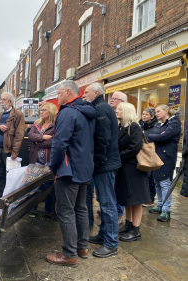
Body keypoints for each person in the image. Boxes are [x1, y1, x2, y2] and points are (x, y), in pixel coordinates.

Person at [46, 81, 98, 267]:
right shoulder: (88, 111)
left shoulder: (67, 112)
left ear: (69, 92)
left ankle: (69, 254)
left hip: (69, 170)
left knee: (66, 211)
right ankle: (82, 247)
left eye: (59, 93)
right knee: (81, 209)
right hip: (85, 167)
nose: (57, 97)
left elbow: (59, 144)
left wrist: (53, 167)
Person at [83, 83, 122, 258]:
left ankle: (111, 243)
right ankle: (104, 235)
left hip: (104, 164)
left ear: (96, 93)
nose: (84, 95)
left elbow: (102, 139)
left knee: (107, 204)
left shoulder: (101, 108)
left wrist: (97, 162)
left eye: (86, 92)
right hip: (105, 163)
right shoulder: (100, 107)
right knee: (104, 202)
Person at [115, 102, 150, 242]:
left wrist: (118, 157)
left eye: (119, 109)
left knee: (136, 200)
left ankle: (136, 230)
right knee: (127, 198)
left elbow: (135, 147)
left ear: (127, 111)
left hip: (134, 168)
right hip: (124, 167)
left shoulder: (134, 126)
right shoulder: (121, 127)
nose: (116, 111)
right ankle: (128, 224)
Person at [0, 92, 25, 200]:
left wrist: (15, 152)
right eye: (1, 99)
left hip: (9, 150)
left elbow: (19, 134)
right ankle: (0, 201)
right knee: (0, 176)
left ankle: (9, 200)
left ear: (10, 102)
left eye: (4, 99)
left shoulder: (18, 114)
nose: (1, 101)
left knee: (10, 177)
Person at [147, 105, 181, 222]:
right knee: (157, 181)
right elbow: (153, 136)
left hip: (167, 157)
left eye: (158, 111)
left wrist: (158, 136)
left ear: (166, 111)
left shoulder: (174, 122)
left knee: (165, 183)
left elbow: (164, 137)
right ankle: (160, 204)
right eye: (155, 112)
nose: (156, 114)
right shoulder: (158, 124)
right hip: (156, 155)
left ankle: (166, 210)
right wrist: (158, 136)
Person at [28, 102, 58, 213]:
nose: (41, 112)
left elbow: (54, 141)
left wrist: (38, 141)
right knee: (34, 185)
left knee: (48, 187)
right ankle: (33, 209)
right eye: (41, 110)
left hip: (48, 160)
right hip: (35, 159)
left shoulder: (56, 125)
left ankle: (48, 211)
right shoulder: (37, 123)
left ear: (51, 112)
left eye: (44, 110)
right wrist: (42, 137)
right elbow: (30, 136)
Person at [109, 91, 127, 221]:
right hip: (113, 157)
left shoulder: (126, 120)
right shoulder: (112, 115)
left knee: (119, 185)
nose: (111, 100)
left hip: (122, 159)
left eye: (114, 98)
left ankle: (119, 212)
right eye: (111, 98)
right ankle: (114, 208)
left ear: (122, 102)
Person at [139, 107, 158, 207]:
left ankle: (150, 199)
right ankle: (143, 196)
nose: (144, 116)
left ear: (152, 116)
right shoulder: (140, 125)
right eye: (143, 114)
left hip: (150, 153)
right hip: (141, 153)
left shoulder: (155, 127)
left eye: (146, 114)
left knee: (150, 177)